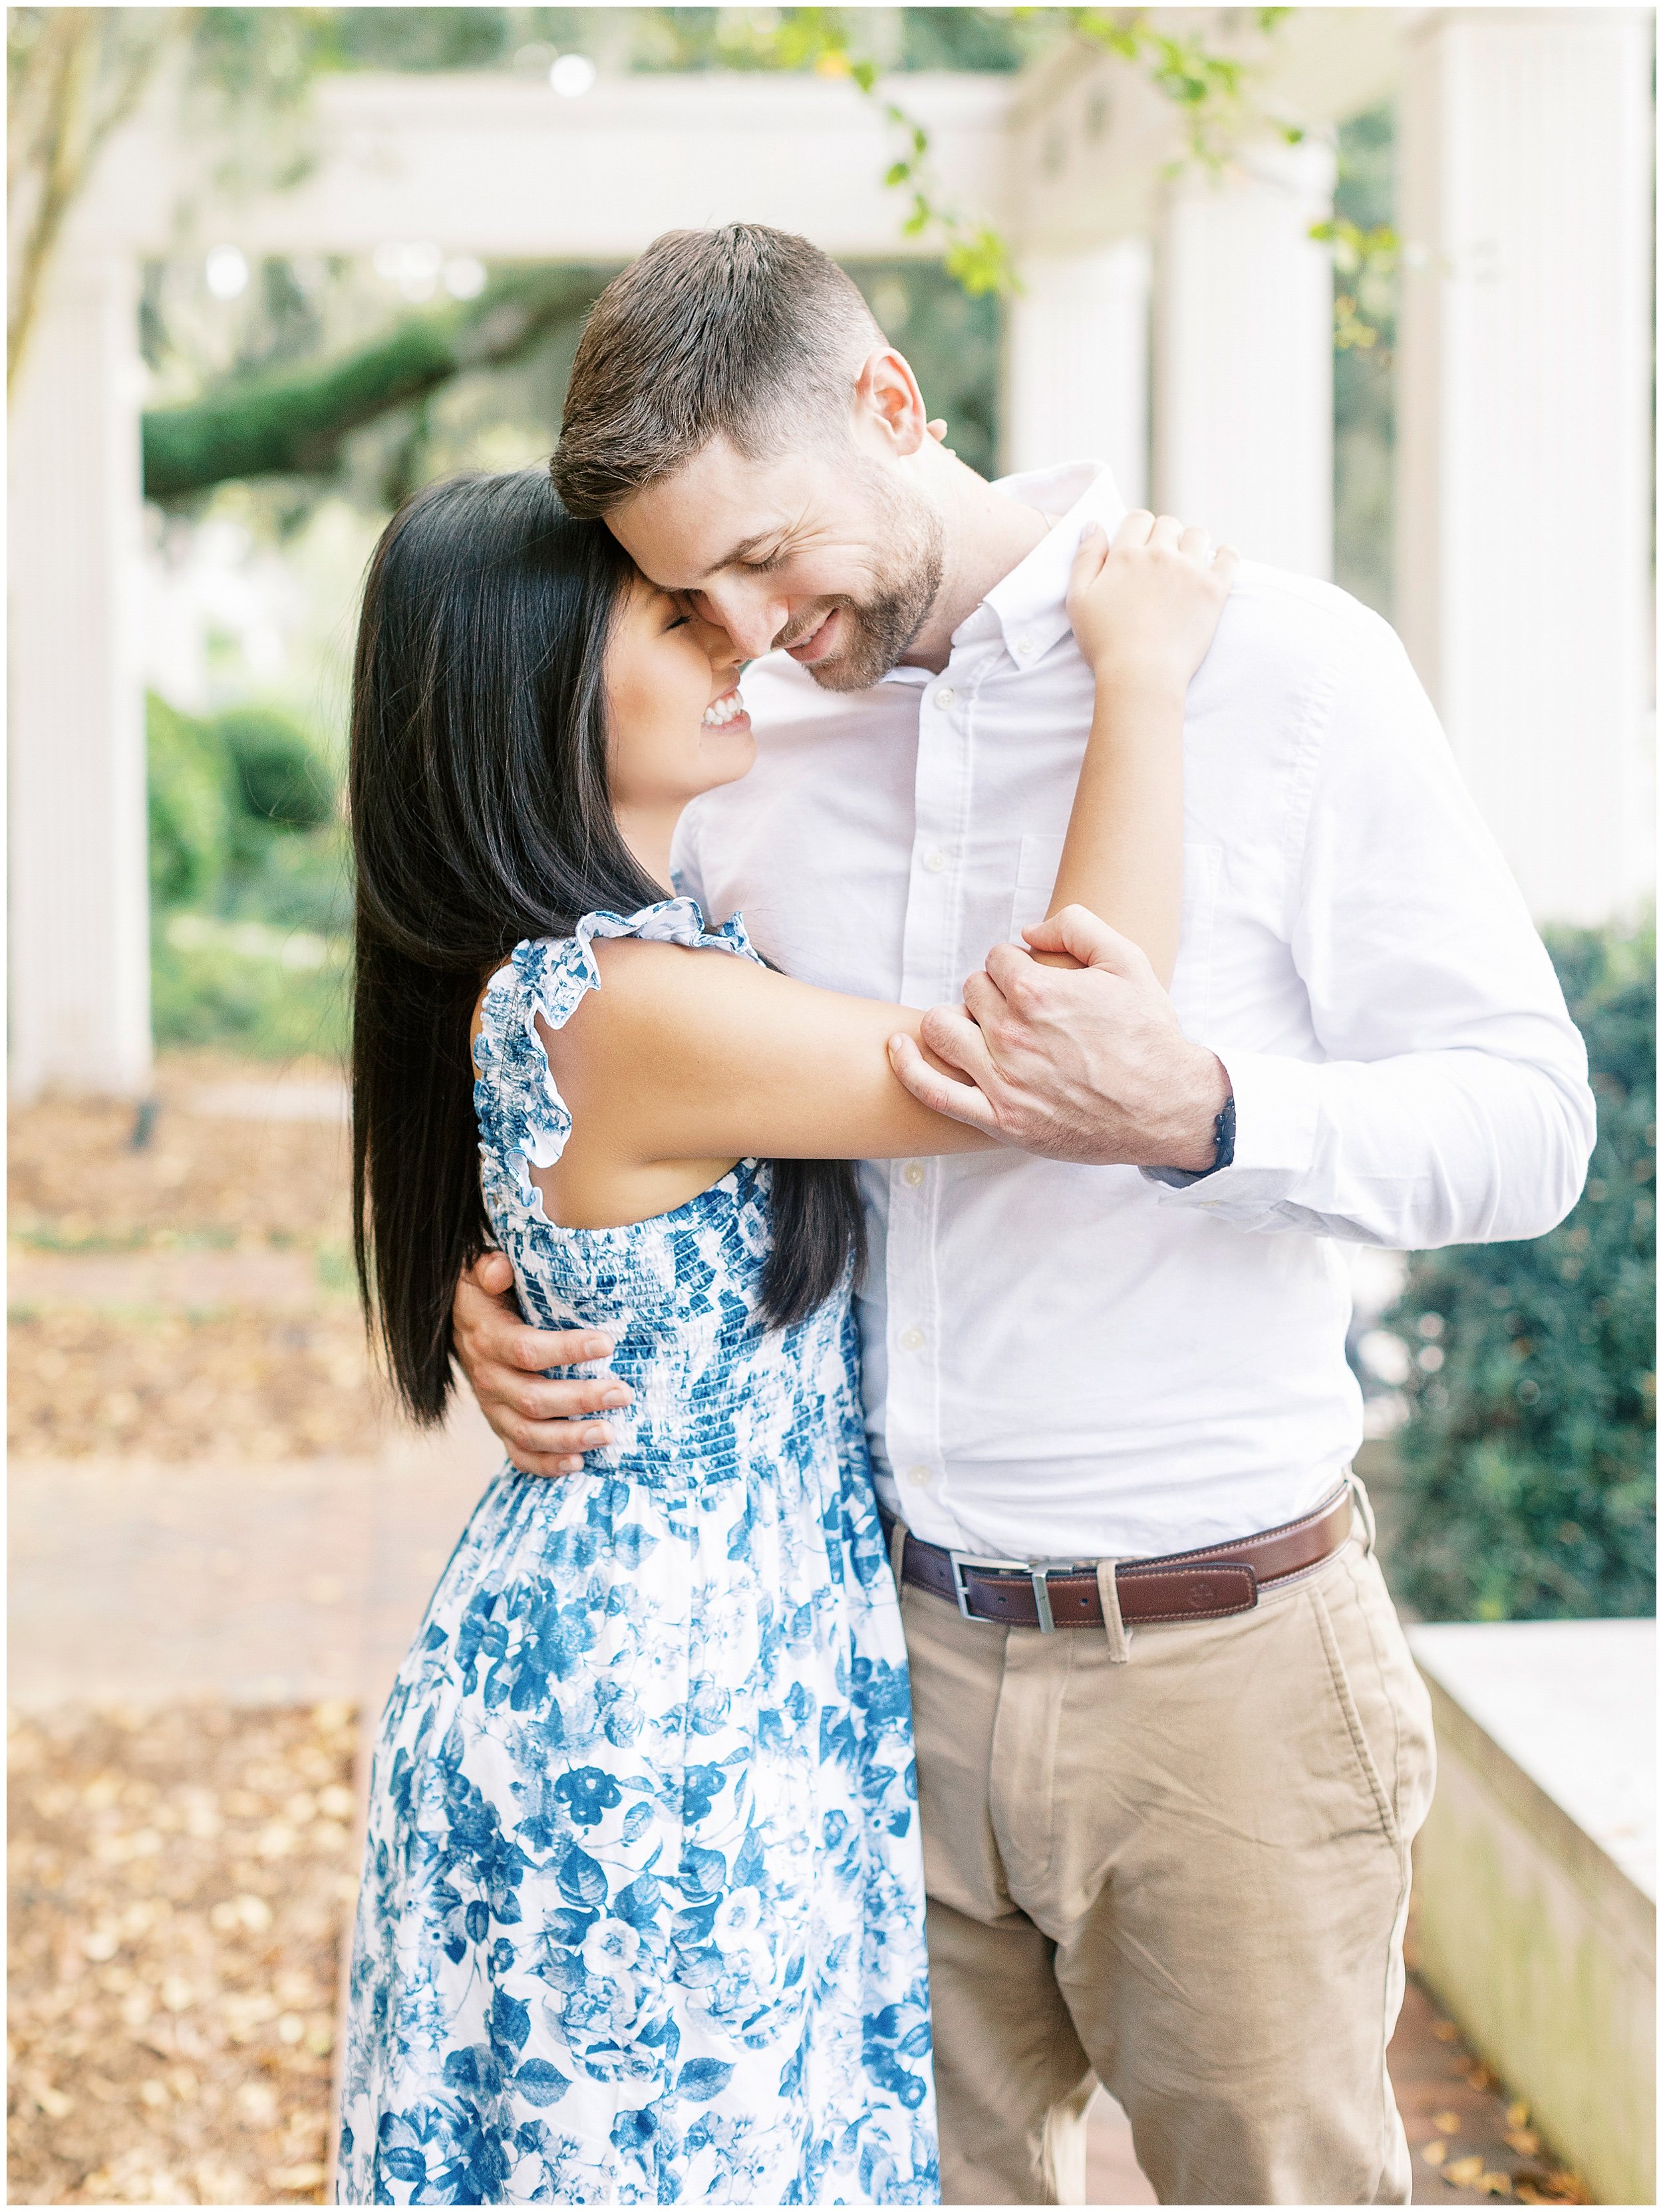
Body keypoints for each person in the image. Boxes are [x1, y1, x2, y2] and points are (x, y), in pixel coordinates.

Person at [451, 226, 1598, 2207]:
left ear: (890, 404)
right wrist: (537, 1286)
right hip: (854, 1666)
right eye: (682, 589)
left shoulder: (1283, 672)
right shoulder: (734, 754)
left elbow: (1528, 1127)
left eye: (766, 554)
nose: (744, 623)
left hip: (1217, 1676)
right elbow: (681, 1098)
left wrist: (1218, 1111)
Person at [337, 451, 1234, 2205]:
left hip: (709, 1672)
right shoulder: (623, 1002)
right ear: (531, 694)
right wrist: (1136, 671)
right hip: (651, 1720)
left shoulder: (622, 970)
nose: (737, 635)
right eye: (676, 620)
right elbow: (1053, 1060)